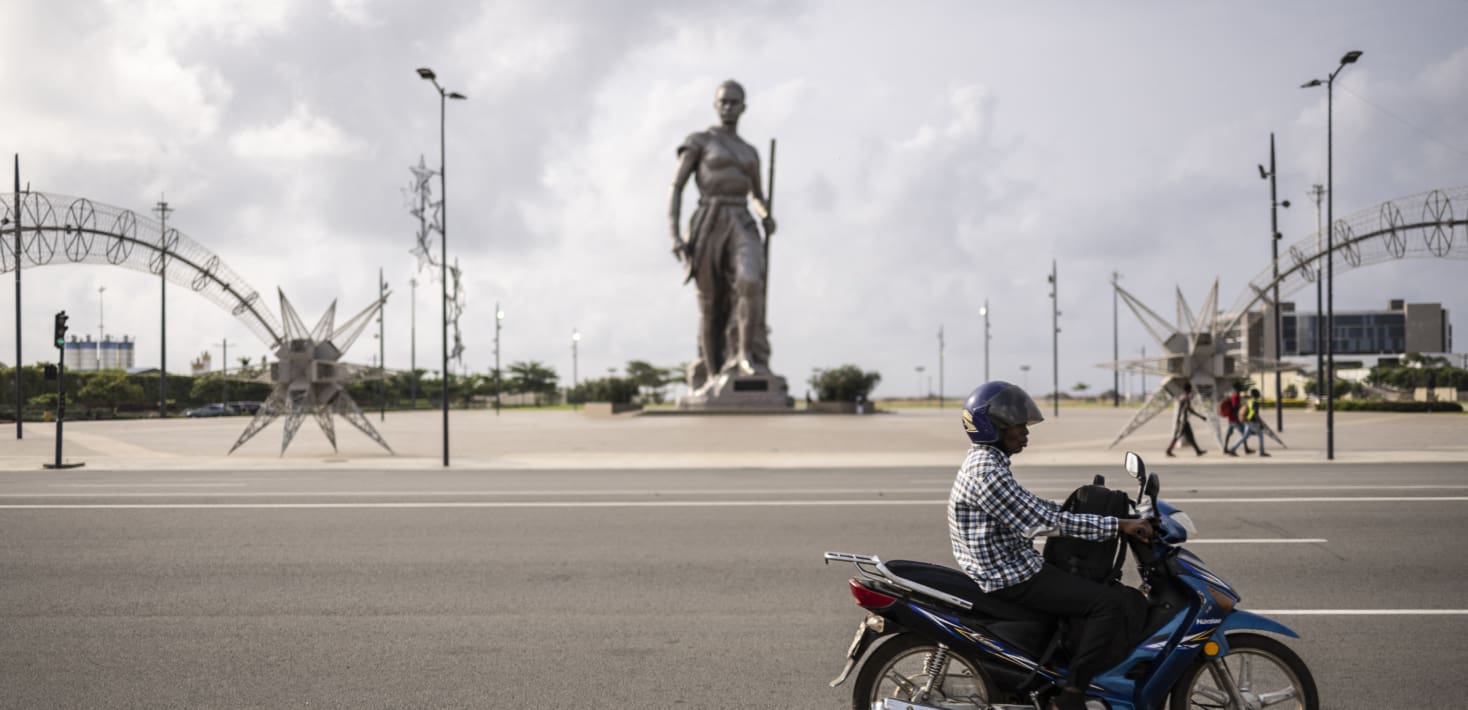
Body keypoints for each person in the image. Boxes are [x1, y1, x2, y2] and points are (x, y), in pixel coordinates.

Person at [949, 381, 1152, 710]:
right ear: (994, 426)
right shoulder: (988, 474)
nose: (1025, 433)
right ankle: (1073, 693)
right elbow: (1047, 522)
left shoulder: (986, 461)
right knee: (1108, 603)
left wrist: (1089, 511)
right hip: (1011, 576)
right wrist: (1118, 525)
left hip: (1007, 566)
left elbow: (1033, 507)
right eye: (1019, 425)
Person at [667, 79, 776, 393]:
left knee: (751, 280)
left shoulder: (750, 152)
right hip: (709, 220)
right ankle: (713, 372)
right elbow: (676, 187)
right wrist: (675, 234)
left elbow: (758, 195)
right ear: (716, 105)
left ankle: (745, 355)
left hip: (741, 219)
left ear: (744, 107)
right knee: (711, 303)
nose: (728, 107)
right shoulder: (700, 141)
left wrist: (765, 214)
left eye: (734, 102)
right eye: (723, 102)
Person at [1165, 381, 1206, 457]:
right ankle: (1169, 450)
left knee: (1190, 436)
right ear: (1189, 389)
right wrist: (1200, 416)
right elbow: (1189, 409)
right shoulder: (1186, 398)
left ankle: (1198, 451)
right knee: (1177, 436)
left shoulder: (1182, 397)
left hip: (1183, 421)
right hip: (1183, 421)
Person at [1227, 387, 1269, 457]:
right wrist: (1260, 423)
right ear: (1256, 394)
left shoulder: (1250, 401)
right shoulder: (1255, 402)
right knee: (1261, 435)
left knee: (1244, 437)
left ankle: (1233, 449)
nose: (1259, 394)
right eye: (1258, 393)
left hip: (1247, 421)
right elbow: (1255, 414)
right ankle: (1261, 452)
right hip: (1252, 421)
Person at [1221, 382, 1253, 456]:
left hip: (1231, 419)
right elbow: (1235, 407)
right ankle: (1244, 449)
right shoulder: (1236, 396)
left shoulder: (1233, 395)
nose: (1241, 389)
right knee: (1244, 434)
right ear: (1238, 388)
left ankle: (1225, 448)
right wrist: (1238, 417)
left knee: (1229, 434)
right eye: (1240, 388)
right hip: (1235, 419)